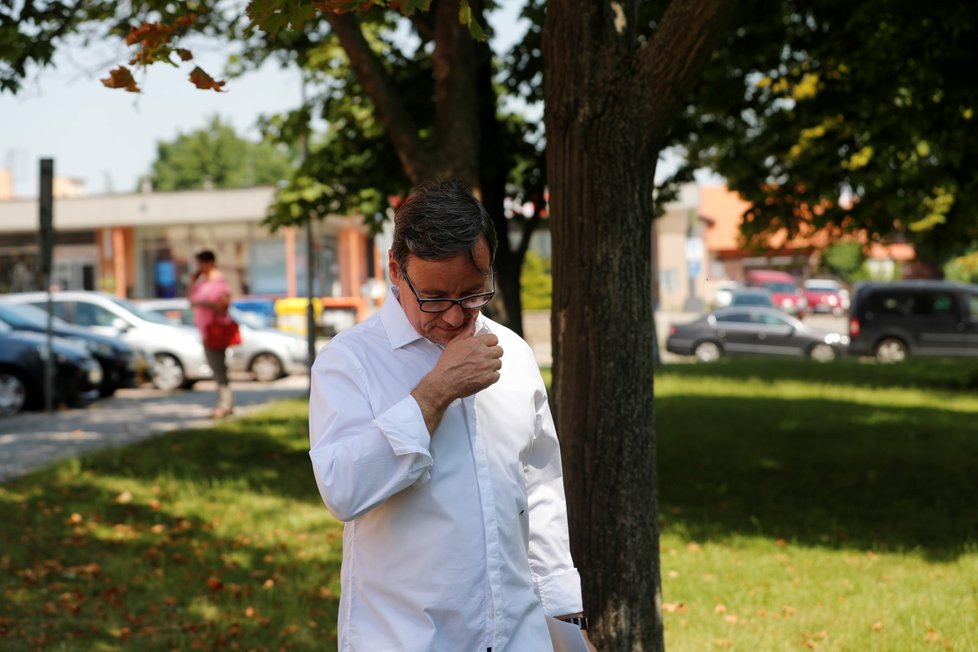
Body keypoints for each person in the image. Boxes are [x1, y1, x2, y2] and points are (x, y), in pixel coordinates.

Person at [308, 180, 593, 651]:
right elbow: (343, 489)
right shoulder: (349, 361)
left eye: (473, 294)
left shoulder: (514, 354)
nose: (456, 317)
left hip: (520, 638)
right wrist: (435, 393)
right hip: (406, 638)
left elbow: (539, 492)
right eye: (436, 298)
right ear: (396, 270)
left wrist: (567, 625)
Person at [188, 249, 234, 418]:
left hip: (216, 331)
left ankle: (224, 405)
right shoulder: (202, 282)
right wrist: (192, 282)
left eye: (200, 263)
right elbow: (191, 301)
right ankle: (224, 403)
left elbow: (224, 305)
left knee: (219, 369)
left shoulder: (220, 282)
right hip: (206, 331)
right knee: (216, 369)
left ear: (209, 262)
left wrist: (204, 303)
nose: (198, 267)